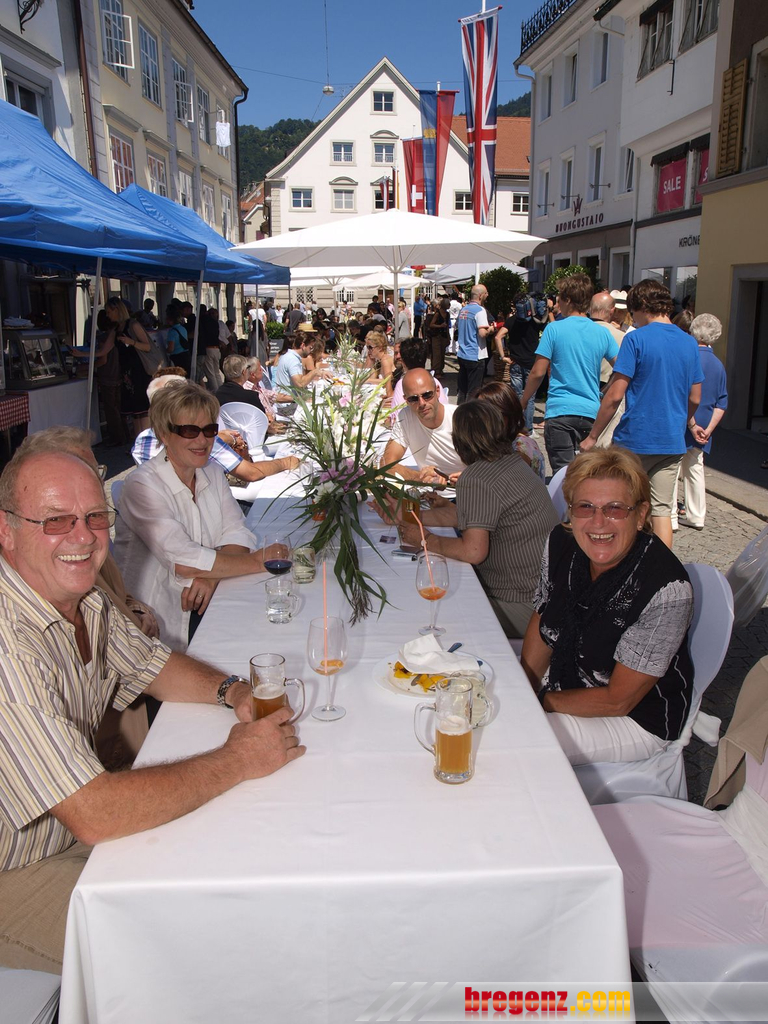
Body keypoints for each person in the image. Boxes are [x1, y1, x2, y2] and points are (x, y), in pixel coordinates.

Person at [0, 449, 304, 974]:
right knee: (183, 949)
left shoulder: (82, 596)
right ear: (6, 532)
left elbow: (152, 664)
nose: (83, 536)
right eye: (55, 521)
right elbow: (96, 812)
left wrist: (233, 691)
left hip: (65, 830)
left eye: (96, 517)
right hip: (16, 870)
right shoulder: (9, 643)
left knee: (234, 867)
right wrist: (237, 760)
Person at [521, 447, 694, 766]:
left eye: (615, 508)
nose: (598, 523)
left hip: (635, 719)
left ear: (641, 515)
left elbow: (618, 700)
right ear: (570, 511)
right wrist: (523, 684)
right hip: (566, 682)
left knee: (518, 743)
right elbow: (544, 616)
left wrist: (538, 701)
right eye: (585, 507)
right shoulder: (561, 544)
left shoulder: (666, 588)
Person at [115, 382, 284, 650]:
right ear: (163, 433)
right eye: (190, 431)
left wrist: (212, 576)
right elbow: (182, 559)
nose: (202, 440)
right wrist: (258, 562)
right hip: (159, 621)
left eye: (209, 430)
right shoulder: (142, 485)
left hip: (210, 600)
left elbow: (237, 532)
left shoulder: (211, 472)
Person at [388, 401, 559, 638]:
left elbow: (473, 551)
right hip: (544, 597)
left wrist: (425, 539)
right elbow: (467, 518)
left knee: (423, 609)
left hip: (522, 604)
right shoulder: (512, 463)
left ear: (460, 441)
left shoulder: (477, 477)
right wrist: (406, 515)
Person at [580, 280, 704, 549]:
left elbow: (614, 395)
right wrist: (683, 421)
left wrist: (592, 436)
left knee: (623, 504)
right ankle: (660, 571)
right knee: (661, 509)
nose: (632, 317)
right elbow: (695, 397)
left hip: (635, 439)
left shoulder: (636, 338)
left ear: (641, 307)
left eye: (633, 311)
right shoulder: (689, 342)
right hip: (671, 439)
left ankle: (621, 560)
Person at [520, 274, 618, 474]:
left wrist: (523, 400)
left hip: (560, 411)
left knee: (562, 476)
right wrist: (604, 390)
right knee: (586, 475)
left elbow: (538, 372)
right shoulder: (601, 332)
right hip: (591, 411)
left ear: (567, 300)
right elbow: (622, 368)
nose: (556, 303)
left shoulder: (554, 329)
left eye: (559, 298)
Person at [671, 313, 728, 532]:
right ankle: (696, 515)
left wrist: (692, 425)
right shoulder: (718, 365)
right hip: (705, 423)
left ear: (693, 331)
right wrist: (708, 430)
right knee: (695, 468)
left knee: (673, 467)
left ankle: (671, 516)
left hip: (684, 419)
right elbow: (722, 403)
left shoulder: (688, 358)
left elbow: (684, 394)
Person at [382, 368, 466, 484]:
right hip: (427, 494)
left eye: (427, 395)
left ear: (437, 391)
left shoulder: (461, 419)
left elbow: (490, 466)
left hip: (464, 495)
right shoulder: (406, 416)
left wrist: (468, 479)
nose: (422, 403)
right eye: (414, 399)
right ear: (406, 400)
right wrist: (422, 478)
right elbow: (386, 463)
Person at [476, 381, 546, 480]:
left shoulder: (520, 448)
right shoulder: (499, 441)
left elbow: (508, 486)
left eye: (486, 413)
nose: (479, 418)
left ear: (507, 413)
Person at [105, 296, 153, 437]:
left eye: (109, 311)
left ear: (117, 310)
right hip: (126, 374)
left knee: (142, 410)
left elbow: (148, 346)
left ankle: (145, 442)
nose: (107, 315)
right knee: (134, 412)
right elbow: (104, 350)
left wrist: (130, 341)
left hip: (138, 371)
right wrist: (82, 354)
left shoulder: (133, 325)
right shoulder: (116, 329)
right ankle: (139, 442)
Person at [589, 291, 626, 447]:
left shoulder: (578, 330)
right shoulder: (621, 336)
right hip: (607, 391)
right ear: (612, 311)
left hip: (580, 392)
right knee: (600, 445)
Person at [389, 338, 448, 411]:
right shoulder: (434, 381)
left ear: (403, 361)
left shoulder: (403, 384)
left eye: (427, 395)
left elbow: (396, 416)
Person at [456, 284, 490, 403]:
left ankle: (459, 413)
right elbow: (482, 333)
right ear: (480, 296)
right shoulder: (480, 311)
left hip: (462, 353)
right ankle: (470, 417)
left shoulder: (463, 309)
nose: (487, 295)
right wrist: (490, 329)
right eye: (486, 293)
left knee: (462, 389)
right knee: (474, 391)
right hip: (475, 355)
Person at [364, 331, 396, 400]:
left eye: (370, 347)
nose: (368, 350)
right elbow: (373, 378)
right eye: (367, 347)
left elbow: (387, 381)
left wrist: (366, 380)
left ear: (380, 348)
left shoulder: (385, 360)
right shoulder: (378, 361)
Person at [200, 307, 225, 392]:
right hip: (216, 348)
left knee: (211, 374)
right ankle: (220, 390)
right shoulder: (216, 323)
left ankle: (216, 392)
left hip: (209, 348)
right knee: (216, 372)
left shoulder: (204, 322)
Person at [426, 297, 451, 378]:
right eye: (448, 304)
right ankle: (436, 371)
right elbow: (431, 324)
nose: (449, 305)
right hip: (436, 336)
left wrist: (448, 337)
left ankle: (440, 369)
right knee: (436, 354)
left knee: (442, 353)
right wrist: (440, 326)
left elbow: (447, 327)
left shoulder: (447, 314)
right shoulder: (437, 313)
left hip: (443, 336)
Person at [164, 302, 191, 376]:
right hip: (186, 355)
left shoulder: (172, 332)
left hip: (177, 358)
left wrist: (164, 350)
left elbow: (171, 348)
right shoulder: (183, 328)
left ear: (170, 320)